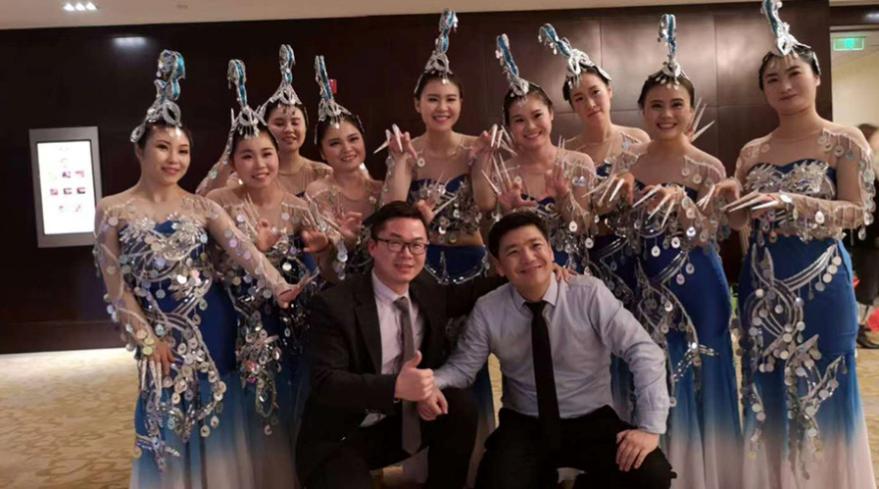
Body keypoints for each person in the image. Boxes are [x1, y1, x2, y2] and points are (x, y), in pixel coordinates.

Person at [93, 50, 299, 488]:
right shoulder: (113, 210)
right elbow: (115, 287)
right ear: (139, 150)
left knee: (221, 408)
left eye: (183, 150)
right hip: (160, 333)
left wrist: (280, 286)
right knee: (163, 409)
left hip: (215, 323)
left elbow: (245, 252)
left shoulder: (201, 207)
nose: (174, 158)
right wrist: (145, 339)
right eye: (163, 147)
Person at [725, 2, 877, 487]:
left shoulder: (844, 141)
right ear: (764, 90)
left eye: (794, 73)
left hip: (822, 285)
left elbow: (858, 211)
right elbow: (739, 221)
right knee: (766, 389)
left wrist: (795, 203)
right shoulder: (753, 151)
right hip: (762, 286)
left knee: (826, 389)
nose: (785, 85)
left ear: (816, 78)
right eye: (772, 78)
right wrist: (729, 203)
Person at [429, 211, 673, 489]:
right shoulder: (488, 309)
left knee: (651, 474)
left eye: (536, 246)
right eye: (513, 252)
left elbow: (643, 351)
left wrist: (649, 428)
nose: (528, 257)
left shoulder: (589, 294)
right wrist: (430, 382)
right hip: (525, 423)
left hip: (591, 419)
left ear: (550, 250)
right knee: (495, 483)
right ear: (499, 266)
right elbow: (463, 369)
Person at [612, 15, 742, 489]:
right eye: (656, 105)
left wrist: (684, 204)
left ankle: (704, 474)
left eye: (676, 105)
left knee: (699, 368)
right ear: (642, 110)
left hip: (698, 285)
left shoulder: (708, 167)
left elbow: (716, 233)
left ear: (691, 109)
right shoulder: (628, 161)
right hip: (644, 284)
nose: (666, 114)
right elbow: (617, 229)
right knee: (651, 369)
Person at [296, 201, 504, 489]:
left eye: (416, 245)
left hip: (398, 425)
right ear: (372, 247)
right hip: (342, 436)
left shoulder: (425, 290)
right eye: (395, 243)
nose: (407, 254)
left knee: (459, 406)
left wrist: (531, 271)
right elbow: (326, 382)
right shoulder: (335, 305)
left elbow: (468, 293)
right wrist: (396, 387)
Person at [205, 59, 333, 489]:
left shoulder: (298, 206)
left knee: (294, 393)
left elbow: (325, 266)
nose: (259, 164)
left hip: (290, 318)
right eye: (247, 156)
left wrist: (324, 248)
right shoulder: (220, 202)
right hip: (242, 318)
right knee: (252, 399)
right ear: (233, 162)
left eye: (266, 154)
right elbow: (211, 264)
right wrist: (254, 252)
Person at [472, 34, 596, 272]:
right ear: (509, 127)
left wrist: (564, 198)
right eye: (519, 120)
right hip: (525, 275)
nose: (530, 127)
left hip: (573, 276)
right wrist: (506, 213)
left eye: (537, 115)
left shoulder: (579, 163)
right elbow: (493, 244)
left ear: (551, 113)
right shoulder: (502, 174)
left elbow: (585, 229)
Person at [197, 45, 331, 197]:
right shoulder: (252, 174)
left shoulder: (322, 173)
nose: (289, 129)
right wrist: (226, 158)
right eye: (279, 123)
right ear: (265, 130)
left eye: (295, 122)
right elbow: (203, 199)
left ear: (306, 126)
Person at [305, 55, 382, 280]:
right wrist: (344, 242)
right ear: (322, 153)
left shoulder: (381, 189)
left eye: (353, 139)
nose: (347, 149)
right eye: (335, 143)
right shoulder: (317, 193)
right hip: (338, 286)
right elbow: (325, 264)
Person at [853, 123, 879, 348]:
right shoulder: (862, 171)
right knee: (868, 285)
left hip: (871, 238)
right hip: (867, 239)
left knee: (872, 285)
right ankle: (857, 329)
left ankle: (860, 325)